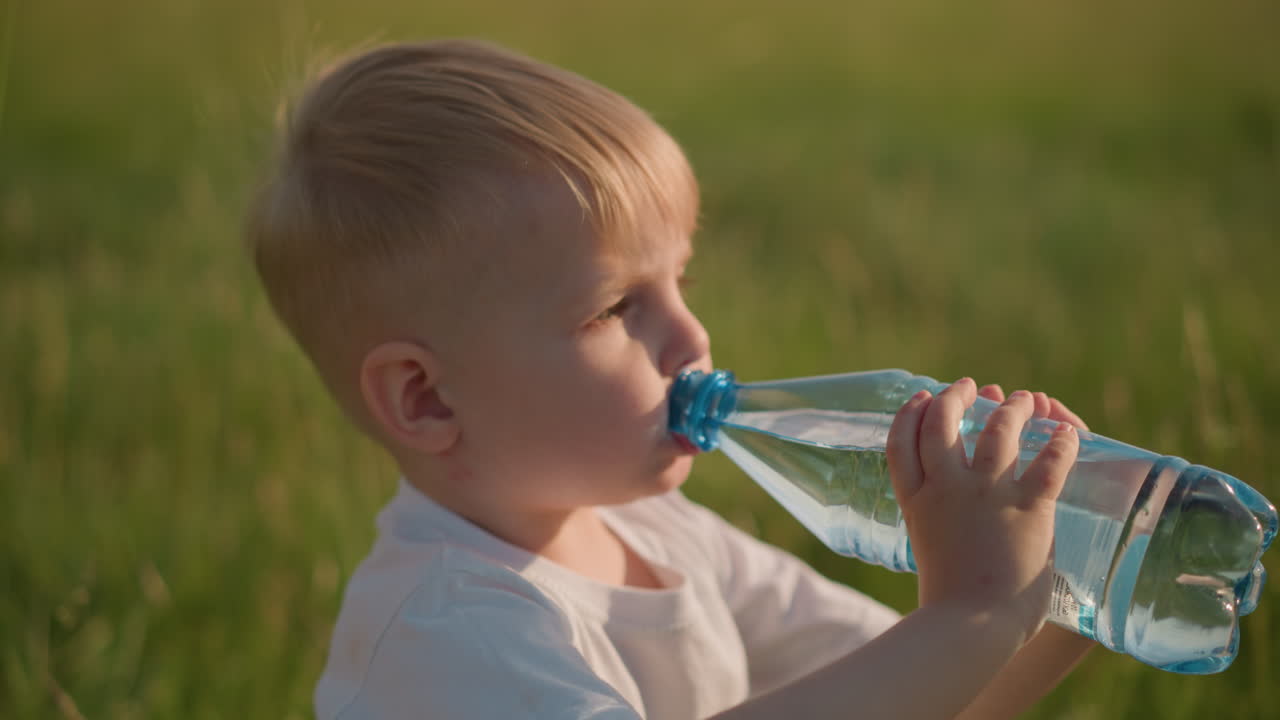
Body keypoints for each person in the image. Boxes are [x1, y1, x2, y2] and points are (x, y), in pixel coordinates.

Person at [245, 38, 1095, 719]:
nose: (691, 337)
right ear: (426, 398)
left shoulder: (657, 529)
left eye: (678, 284)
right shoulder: (446, 636)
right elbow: (938, 658)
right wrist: (965, 617)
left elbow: (930, 695)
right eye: (614, 309)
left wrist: (1064, 585)